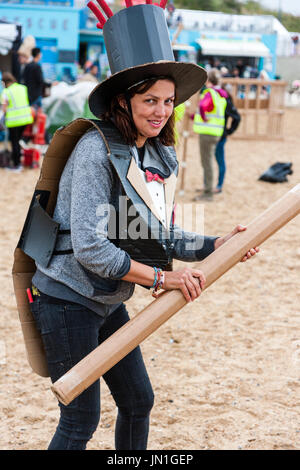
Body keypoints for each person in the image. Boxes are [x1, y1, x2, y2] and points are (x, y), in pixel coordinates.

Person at [26, 4, 259, 450]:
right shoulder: (95, 152)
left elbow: (157, 233)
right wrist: (162, 277)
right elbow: (90, 249)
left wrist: (216, 244)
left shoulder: (156, 154)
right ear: (123, 101)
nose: (161, 111)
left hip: (108, 298)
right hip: (65, 297)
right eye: (150, 100)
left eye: (168, 101)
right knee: (80, 418)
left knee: (138, 401)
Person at [192, 68, 227, 201]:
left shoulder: (209, 93)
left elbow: (203, 106)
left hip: (207, 133)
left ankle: (208, 193)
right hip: (216, 133)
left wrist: (203, 116)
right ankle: (208, 186)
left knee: (206, 162)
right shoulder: (220, 94)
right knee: (208, 161)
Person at [0, 72, 34, 171]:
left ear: (5, 82)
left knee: (14, 142)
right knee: (18, 141)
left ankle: (16, 165)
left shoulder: (6, 92)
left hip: (14, 121)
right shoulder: (23, 88)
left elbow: (4, 108)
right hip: (26, 119)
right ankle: (19, 160)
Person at [214, 84, 241, 193]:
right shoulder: (222, 100)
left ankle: (219, 185)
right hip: (215, 134)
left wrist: (229, 131)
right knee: (214, 161)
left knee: (220, 161)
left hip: (220, 136)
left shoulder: (227, 102)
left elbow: (237, 118)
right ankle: (214, 185)